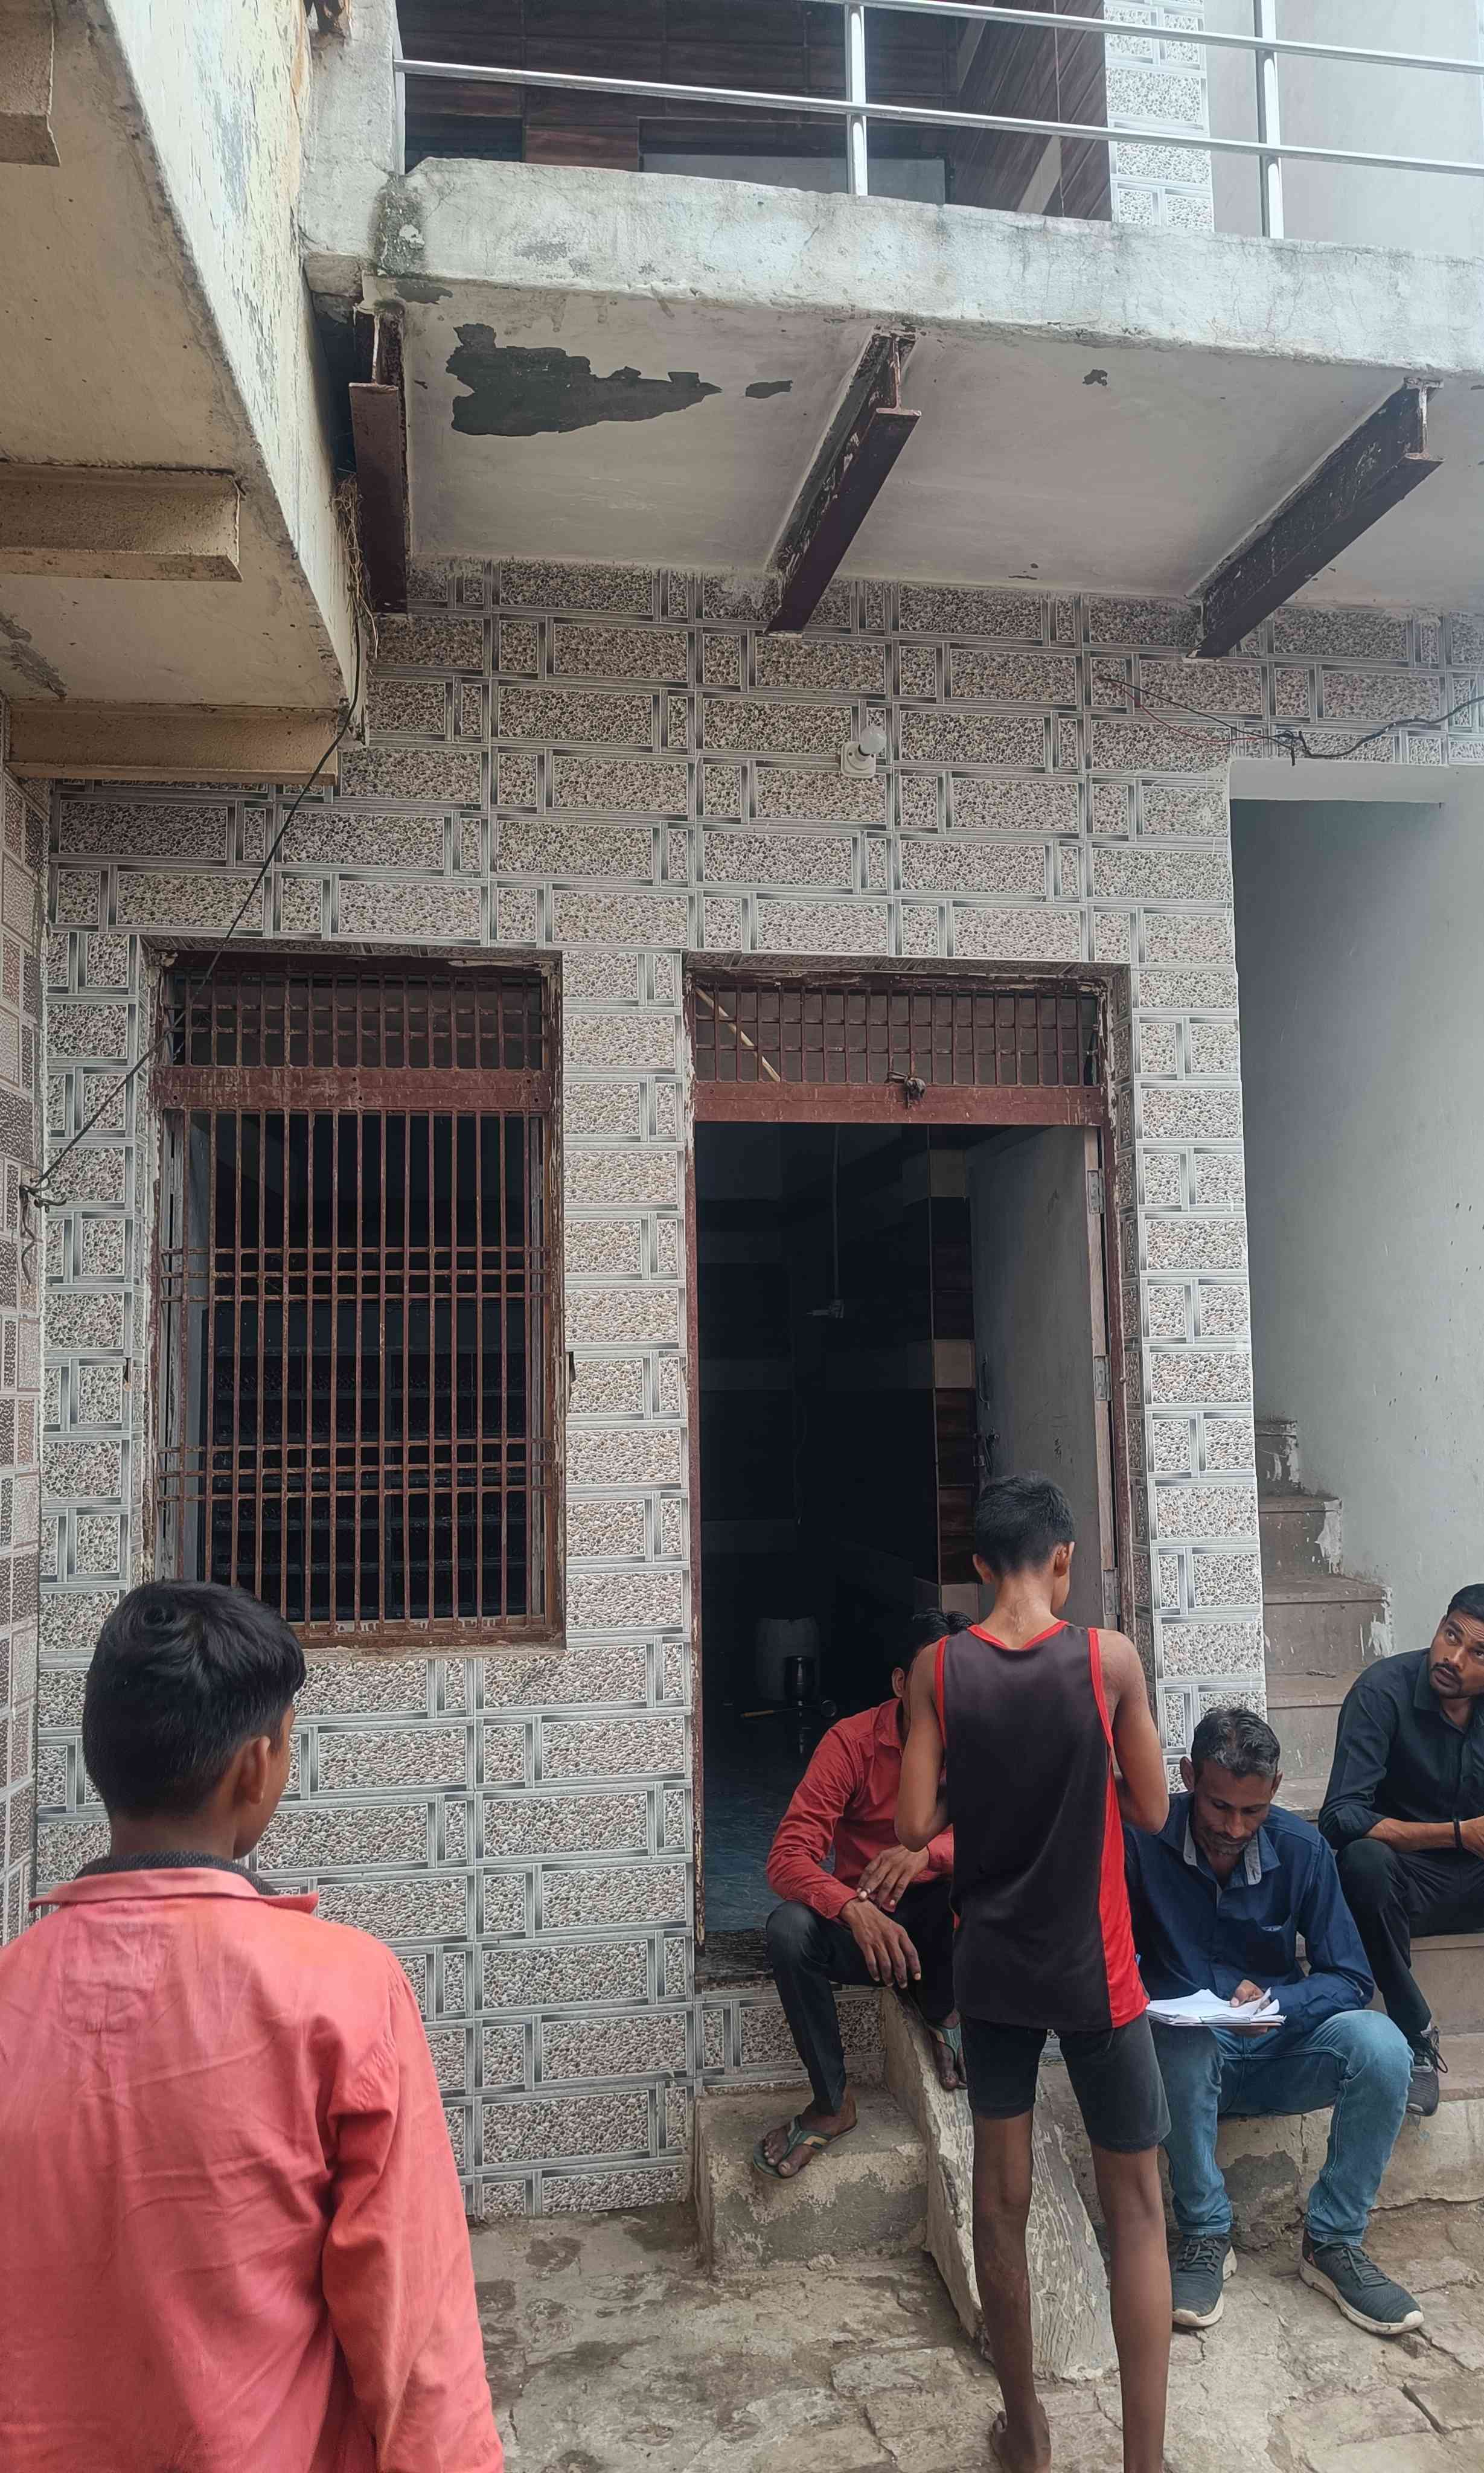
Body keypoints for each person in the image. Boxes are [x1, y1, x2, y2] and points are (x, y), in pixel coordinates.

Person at [0, 1581, 502, 2473]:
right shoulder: (344, 1991)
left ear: (101, 1756)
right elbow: (415, 2335)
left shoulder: (14, 1987)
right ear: (256, 1767)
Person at [898, 1475, 1172, 2473]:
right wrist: (1079, 1766)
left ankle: (1024, 2431)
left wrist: (974, 1769)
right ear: (1062, 1559)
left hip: (993, 1969)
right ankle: (1143, 2462)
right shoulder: (1107, 1660)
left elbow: (911, 1824)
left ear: (978, 1566)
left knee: (999, 2206)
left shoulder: (936, 1669)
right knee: (1135, 2212)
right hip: (1096, 1970)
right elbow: (1151, 1809)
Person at [1125, 1706, 1421, 2340]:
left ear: (1277, 1790)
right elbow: (1107, 1955)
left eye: (1253, 1810)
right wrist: (1156, 1998)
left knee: (1384, 2046)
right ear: (1187, 1777)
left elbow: (1350, 1976)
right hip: (1181, 2065)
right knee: (1177, 2044)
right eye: (1219, 1806)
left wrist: (1279, 2001)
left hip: (1278, 2049)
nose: (1234, 1827)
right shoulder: (1142, 1840)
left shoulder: (1301, 1848)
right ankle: (1205, 2233)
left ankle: (1333, 2241)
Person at [754, 1610, 970, 2180]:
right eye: (930, 1682)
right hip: (870, 1932)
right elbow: (788, 1856)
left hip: (945, 1928)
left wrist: (928, 1853)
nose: (946, 1698)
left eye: (960, 1681)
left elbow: (1012, 1837)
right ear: (900, 1683)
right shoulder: (851, 1743)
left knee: (981, 1885)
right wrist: (852, 1909)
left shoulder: (984, 1741)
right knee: (788, 1930)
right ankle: (832, 2103)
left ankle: (946, 2013)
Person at [1319, 1585, 1484, 2121]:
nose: (1453, 1658)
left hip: (1476, 1878)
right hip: (1404, 1881)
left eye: (1478, 1653)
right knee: (1361, 1863)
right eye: (1451, 1635)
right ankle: (1415, 2035)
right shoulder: (1381, 1692)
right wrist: (1455, 1834)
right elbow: (1341, 1817)